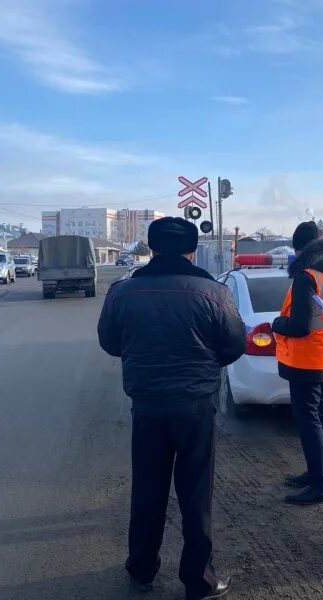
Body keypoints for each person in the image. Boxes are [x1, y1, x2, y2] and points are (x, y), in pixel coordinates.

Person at [98, 217, 246, 600]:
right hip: (196, 406)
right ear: (192, 250)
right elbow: (233, 346)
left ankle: (142, 567)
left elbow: (110, 343)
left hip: (147, 404)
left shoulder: (123, 292)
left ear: (151, 249)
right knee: (196, 493)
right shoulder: (214, 293)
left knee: (147, 488)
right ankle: (199, 581)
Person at [271, 221, 323, 505]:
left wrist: (278, 323)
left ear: (299, 248)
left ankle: (319, 483)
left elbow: (300, 326)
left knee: (308, 419)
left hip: (305, 360)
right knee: (321, 415)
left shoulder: (306, 277)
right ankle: (319, 472)